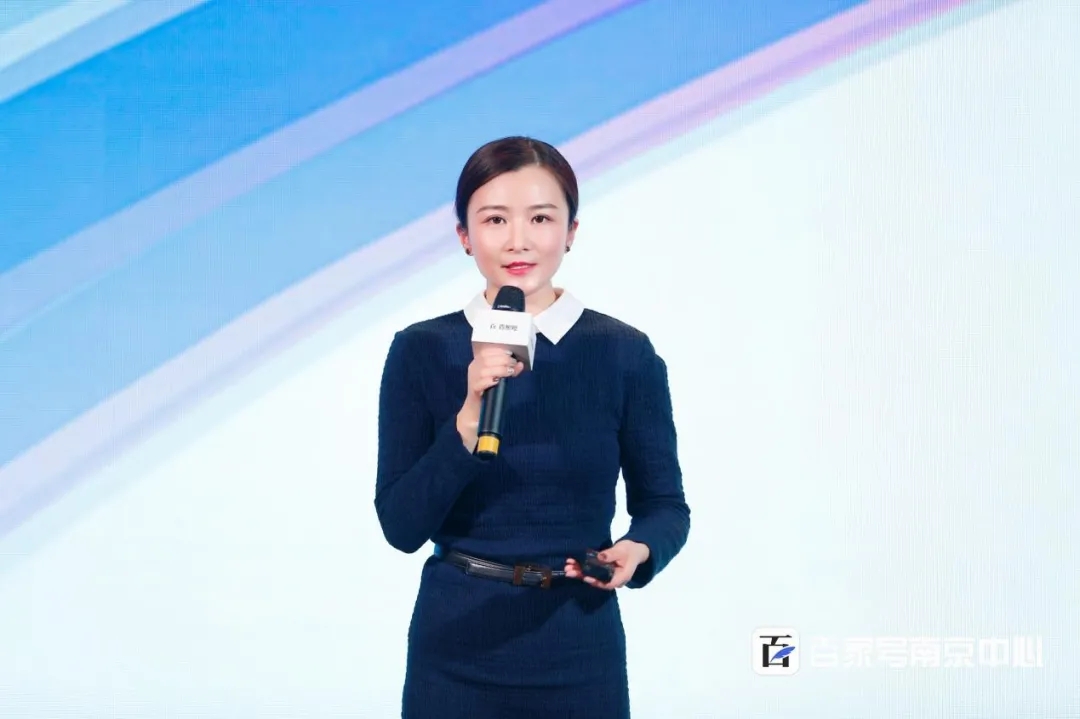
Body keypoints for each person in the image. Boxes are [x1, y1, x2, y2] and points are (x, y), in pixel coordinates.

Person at [374, 135, 690, 718]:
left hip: (579, 644)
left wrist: (638, 549)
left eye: (541, 218)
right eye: (495, 219)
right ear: (464, 236)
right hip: (455, 645)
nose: (518, 240)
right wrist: (468, 419)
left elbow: (666, 506)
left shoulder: (624, 352)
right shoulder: (421, 350)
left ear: (571, 231)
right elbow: (401, 526)